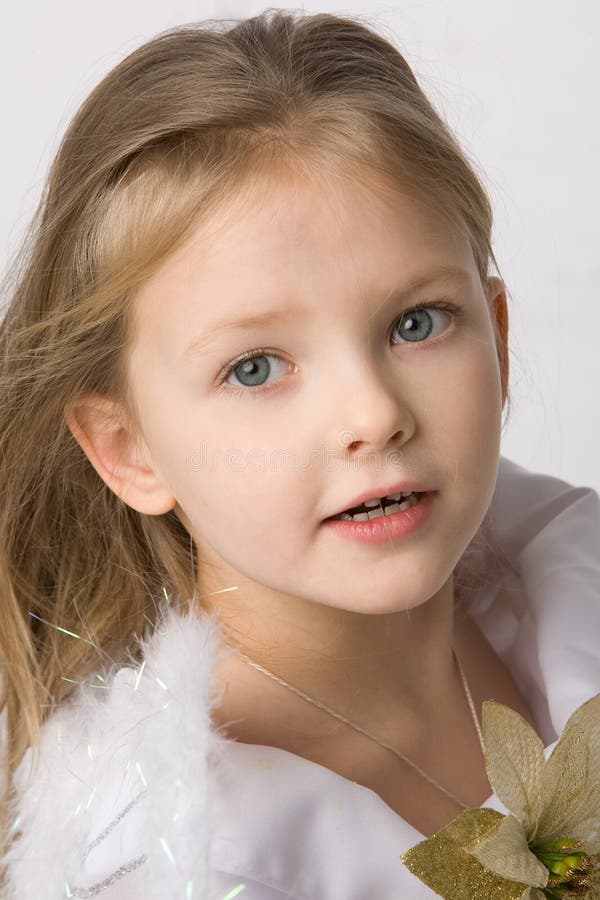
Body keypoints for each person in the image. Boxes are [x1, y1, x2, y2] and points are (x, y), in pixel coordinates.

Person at [0, 10, 599, 899]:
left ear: (500, 342)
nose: (372, 415)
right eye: (254, 368)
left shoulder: (570, 574)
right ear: (128, 452)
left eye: (416, 323)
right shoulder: (170, 861)